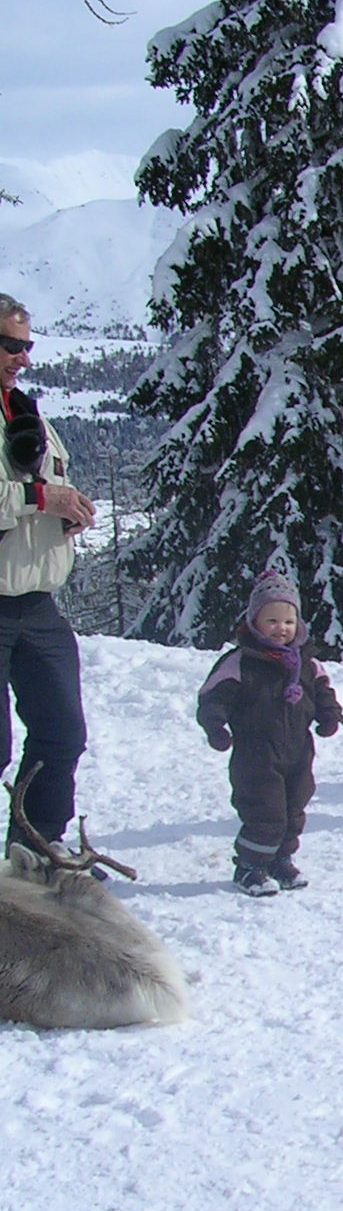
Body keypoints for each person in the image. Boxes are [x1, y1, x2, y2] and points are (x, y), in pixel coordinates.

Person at [0, 293, 97, 850]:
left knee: (62, 733)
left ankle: (38, 844)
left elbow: (43, 492)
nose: (24, 358)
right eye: (11, 345)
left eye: (27, 345)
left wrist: (66, 512)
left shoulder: (28, 412)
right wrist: (42, 498)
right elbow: (33, 493)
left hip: (37, 606)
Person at [197, 570, 343, 895]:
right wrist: (215, 726)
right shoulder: (241, 662)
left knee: (294, 806)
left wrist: (329, 715)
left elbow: (323, 691)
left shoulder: (306, 663)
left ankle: (281, 860)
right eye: (272, 621)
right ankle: (250, 866)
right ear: (254, 622)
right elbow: (213, 697)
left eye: (288, 622)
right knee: (264, 809)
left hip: (298, 749)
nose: (281, 629)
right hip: (256, 752)